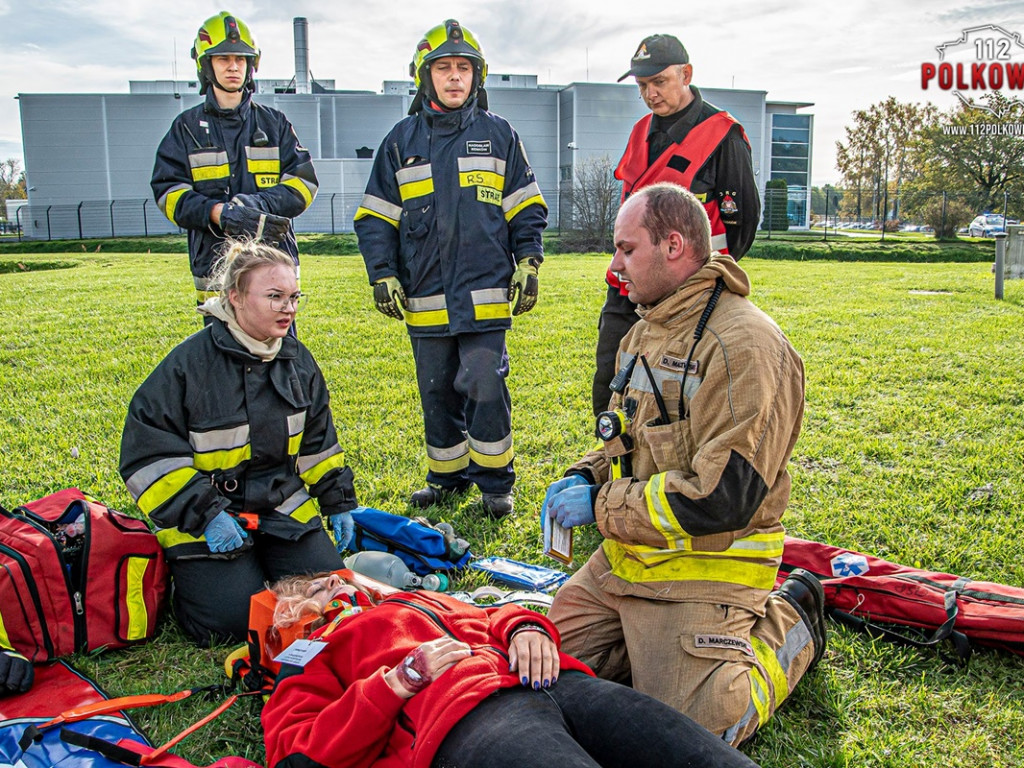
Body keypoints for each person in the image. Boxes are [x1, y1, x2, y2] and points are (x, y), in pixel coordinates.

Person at [544, 183, 825, 746]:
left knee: (695, 733)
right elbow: (628, 442)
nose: (614, 265)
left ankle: (792, 620)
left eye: (626, 249)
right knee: (537, 673)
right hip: (627, 559)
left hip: (706, 568)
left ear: (673, 245)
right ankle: (641, 646)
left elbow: (723, 497)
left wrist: (599, 507)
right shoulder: (644, 331)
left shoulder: (745, 347)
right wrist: (587, 474)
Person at [261, 572, 763, 768]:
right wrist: (397, 683)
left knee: (706, 760)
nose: (332, 581)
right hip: (467, 719)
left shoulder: (414, 598)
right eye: (315, 589)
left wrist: (527, 628)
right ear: (295, 617)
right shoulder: (313, 655)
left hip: (555, 682)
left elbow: (490, 615)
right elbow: (296, 753)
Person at [119, 240, 357, 646]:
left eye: (294, 297)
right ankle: (200, 581)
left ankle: (261, 563)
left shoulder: (298, 361)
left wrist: (338, 503)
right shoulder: (187, 366)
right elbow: (148, 458)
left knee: (332, 594)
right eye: (275, 297)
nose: (289, 308)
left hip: (281, 508)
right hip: (205, 518)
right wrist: (207, 514)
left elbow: (319, 443)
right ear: (235, 297)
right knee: (231, 623)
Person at [354, 20, 547, 520]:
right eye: (444, 68)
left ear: (476, 77)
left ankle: (495, 483)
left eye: (464, 68)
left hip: (483, 295)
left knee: (485, 382)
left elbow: (525, 208)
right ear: (426, 77)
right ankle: (446, 477)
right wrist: (382, 273)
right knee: (436, 391)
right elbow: (375, 217)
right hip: (424, 296)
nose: (455, 77)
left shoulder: (500, 135)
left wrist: (529, 260)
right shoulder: (400, 141)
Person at [591, 33, 760, 416]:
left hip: (689, 292)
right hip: (628, 285)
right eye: (643, 86)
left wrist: (705, 277)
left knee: (676, 394)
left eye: (659, 82)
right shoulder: (639, 132)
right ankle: (611, 465)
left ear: (686, 74)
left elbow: (742, 224)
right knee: (610, 382)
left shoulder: (722, 136)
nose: (651, 94)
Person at [151, 11, 318, 316]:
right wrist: (217, 213)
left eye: (241, 59)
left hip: (274, 263)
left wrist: (252, 204)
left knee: (281, 358)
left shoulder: (274, 124)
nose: (233, 67)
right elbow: (167, 193)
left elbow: (304, 184)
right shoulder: (185, 128)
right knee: (222, 358)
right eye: (223, 59)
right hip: (216, 273)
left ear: (251, 66)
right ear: (206, 65)